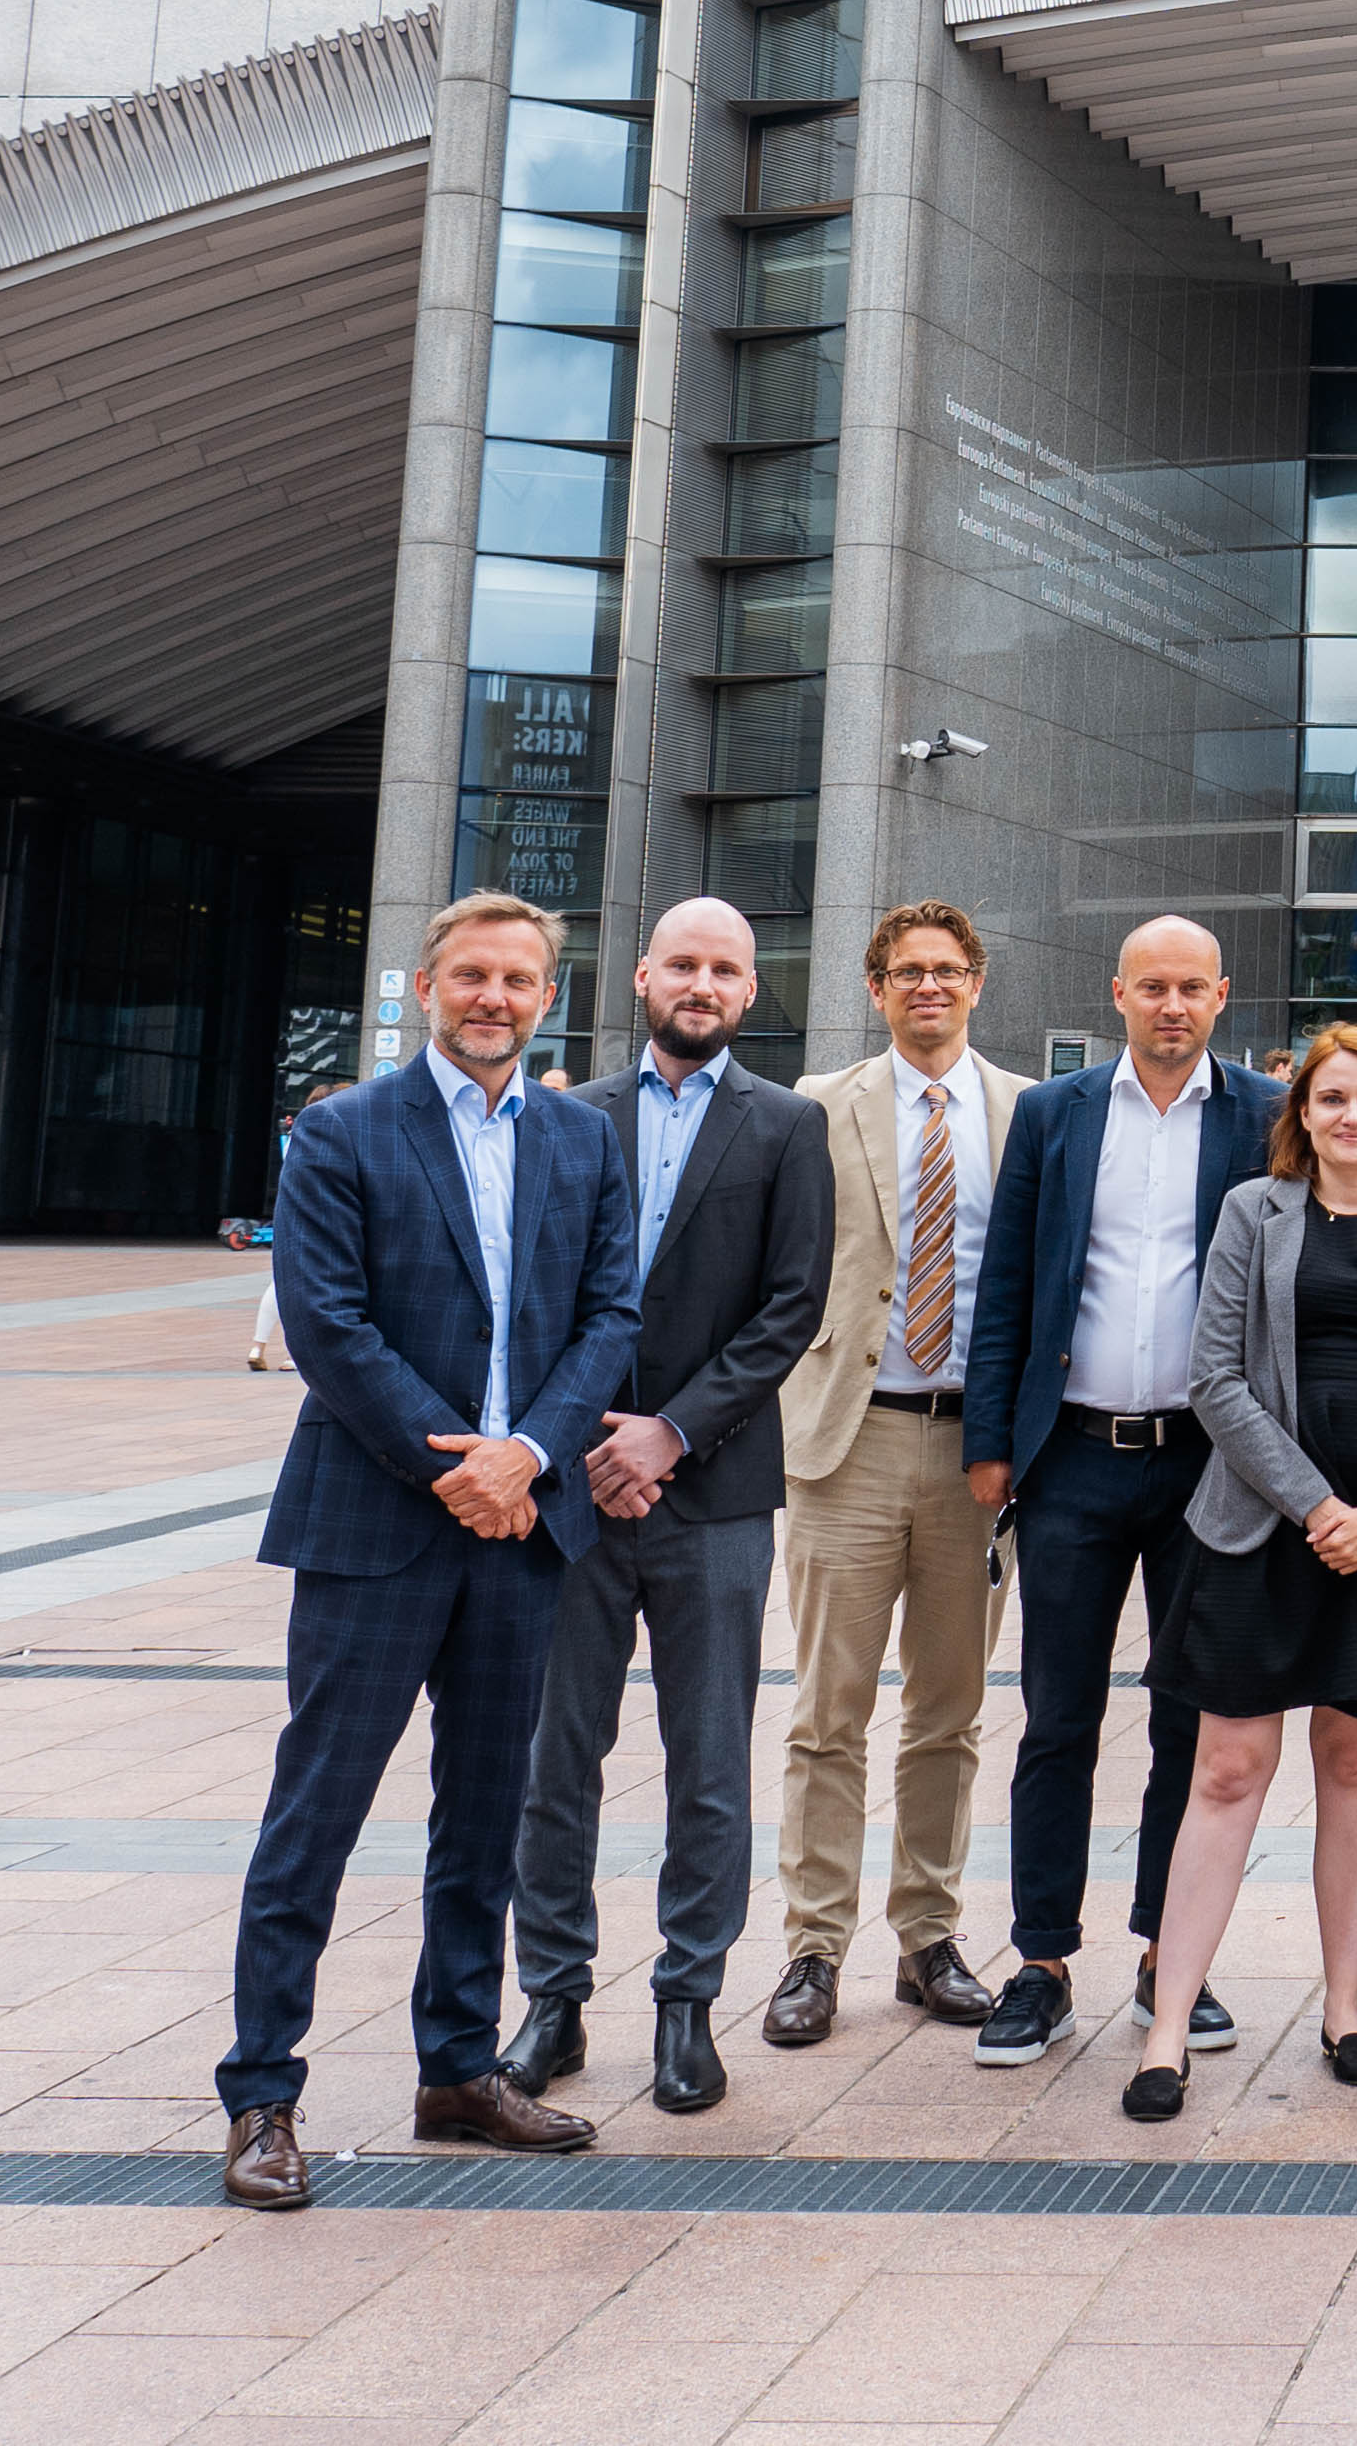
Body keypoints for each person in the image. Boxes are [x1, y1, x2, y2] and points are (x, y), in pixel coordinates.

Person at [213, 891, 636, 2211]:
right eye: (471, 973)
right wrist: (459, 1464)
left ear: (546, 992)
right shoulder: (342, 1130)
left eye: (518, 976)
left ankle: (457, 2066)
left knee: (485, 1813)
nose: (493, 995)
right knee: (317, 1808)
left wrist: (531, 1455)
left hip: (525, 1524)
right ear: (422, 983)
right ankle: (262, 2089)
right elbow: (325, 1320)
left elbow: (612, 1310)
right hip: (378, 1519)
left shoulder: (581, 1136)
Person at [1126, 1028, 1357, 2118]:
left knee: (1355, 1763)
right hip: (1263, 1524)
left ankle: (1345, 2009)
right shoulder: (1256, 1212)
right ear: (1303, 1112)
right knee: (1227, 1768)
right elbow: (1215, 1378)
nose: (1352, 1116)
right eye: (1331, 1097)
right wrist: (1318, 1505)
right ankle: (1169, 2027)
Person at [510, 902, 832, 2116]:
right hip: (573, 1494)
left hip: (716, 1494)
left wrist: (671, 1431)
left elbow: (789, 1309)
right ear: (642, 975)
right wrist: (591, 1437)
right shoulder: (566, 1116)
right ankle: (552, 1995)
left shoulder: (787, 1127)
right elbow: (531, 1296)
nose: (701, 983)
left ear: (752, 992)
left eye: (725, 969)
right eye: (682, 964)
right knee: (558, 1759)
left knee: (708, 1762)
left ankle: (689, 2003)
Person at [961, 917, 1285, 2069]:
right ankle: (1041, 1959)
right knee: (1057, 1717)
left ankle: (1168, 1959)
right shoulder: (1056, 1115)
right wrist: (992, 1443)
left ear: (1222, 994)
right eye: (1152, 985)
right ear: (1117, 995)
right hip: (1075, 1457)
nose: (1172, 1004)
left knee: (1188, 1719)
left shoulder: (1260, 1115)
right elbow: (1007, 1282)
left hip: (1213, 1459)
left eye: (1192, 986)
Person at [764, 903, 1014, 2049]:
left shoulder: (1026, 1114)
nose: (928, 987)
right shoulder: (816, 1107)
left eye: (946, 970)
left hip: (978, 1450)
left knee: (949, 1713)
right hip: (847, 1440)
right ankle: (813, 1948)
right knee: (828, 1712)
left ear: (976, 984)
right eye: (906, 972)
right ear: (876, 989)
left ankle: (929, 1936)